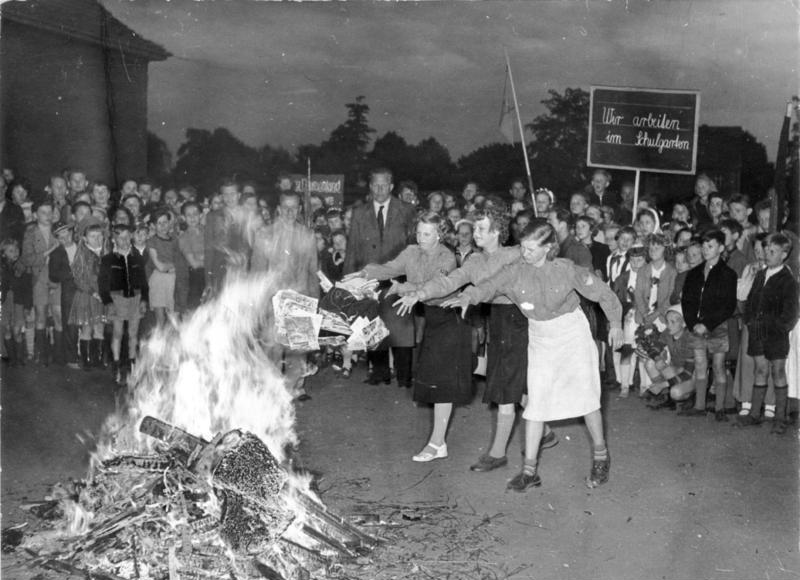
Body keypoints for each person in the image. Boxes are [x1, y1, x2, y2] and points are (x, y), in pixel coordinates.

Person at [449, 218, 623, 491]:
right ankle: (530, 472)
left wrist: (616, 324)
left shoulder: (566, 270)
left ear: (548, 248)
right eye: (523, 247)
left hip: (572, 335)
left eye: (531, 249)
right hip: (541, 338)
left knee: (587, 399)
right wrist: (468, 297)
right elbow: (489, 286)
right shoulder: (516, 271)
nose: (525, 254)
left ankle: (601, 456)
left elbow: (604, 294)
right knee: (535, 404)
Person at [395, 205, 559, 472]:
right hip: (498, 320)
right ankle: (547, 431)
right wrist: (420, 293)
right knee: (507, 379)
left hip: (520, 321)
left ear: (497, 232)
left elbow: (544, 264)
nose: (475, 232)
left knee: (505, 387)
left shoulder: (515, 254)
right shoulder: (474, 260)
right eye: (476, 227)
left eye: (482, 228)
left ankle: (497, 454)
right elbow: (450, 281)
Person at [347, 211, 472, 462]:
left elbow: (435, 287)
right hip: (432, 322)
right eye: (419, 232)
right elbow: (389, 268)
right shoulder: (411, 252)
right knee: (436, 381)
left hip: (450, 321)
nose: (421, 237)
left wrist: (402, 288)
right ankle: (439, 443)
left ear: (439, 234)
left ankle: (437, 444)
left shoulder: (446, 257)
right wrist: (365, 274)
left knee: (442, 384)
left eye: (427, 233)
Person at [344, 168, 416, 387]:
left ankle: (404, 376)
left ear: (392, 186)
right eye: (375, 185)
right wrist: (348, 281)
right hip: (369, 280)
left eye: (384, 185)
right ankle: (380, 372)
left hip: (399, 279)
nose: (379, 189)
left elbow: (414, 247)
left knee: (401, 328)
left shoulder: (407, 210)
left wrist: (414, 280)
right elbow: (352, 248)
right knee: (373, 325)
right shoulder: (359, 212)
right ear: (370, 186)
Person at [251, 190, 319, 400]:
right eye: (285, 207)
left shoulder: (307, 235)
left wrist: (314, 302)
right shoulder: (264, 235)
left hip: (300, 297)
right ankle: (272, 391)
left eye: (294, 207)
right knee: (272, 349)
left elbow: (313, 270)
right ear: (278, 209)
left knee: (297, 350)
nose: (290, 212)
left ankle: (295, 388)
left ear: (299, 209)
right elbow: (257, 272)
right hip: (273, 300)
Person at [738, 233, 799, 433]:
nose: (767, 254)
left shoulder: (787, 279)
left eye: (772, 251)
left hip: (775, 335)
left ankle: (780, 417)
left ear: (784, 254)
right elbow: (750, 301)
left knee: (778, 371)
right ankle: (755, 413)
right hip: (757, 332)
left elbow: (790, 313)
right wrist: (748, 320)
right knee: (760, 370)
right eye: (766, 250)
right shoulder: (761, 275)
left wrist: (779, 328)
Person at [679, 229, 738, 420]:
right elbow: (686, 301)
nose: (705, 250)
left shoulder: (728, 274)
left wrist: (708, 324)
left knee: (719, 365)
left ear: (720, 248)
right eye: (703, 246)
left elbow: (728, 306)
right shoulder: (694, 273)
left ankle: (719, 408)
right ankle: (699, 406)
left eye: (710, 246)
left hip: (716, 326)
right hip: (696, 326)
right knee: (700, 364)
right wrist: (692, 323)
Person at [99, 224, 149, 384]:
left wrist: (144, 299)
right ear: (114, 239)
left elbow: (144, 281)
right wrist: (108, 301)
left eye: (128, 237)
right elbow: (103, 283)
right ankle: (116, 363)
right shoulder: (108, 259)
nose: (125, 240)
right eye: (120, 237)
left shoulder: (137, 258)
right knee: (118, 332)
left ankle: (131, 363)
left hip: (135, 297)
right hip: (117, 299)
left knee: (133, 333)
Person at [21, 200, 59, 365]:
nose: (48, 216)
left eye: (50, 212)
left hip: (57, 278)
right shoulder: (30, 233)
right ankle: (40, 354)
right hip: (39, 279)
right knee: (41, 316)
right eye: (43, 213)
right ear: (35, 215)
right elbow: (27, 258)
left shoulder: (58, 231)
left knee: (58, 316)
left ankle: (59, 354)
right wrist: (48, 252)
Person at [638, 305, 696, 409]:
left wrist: (662, 384)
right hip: (675, 371)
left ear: (683, 324)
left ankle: (691, 396)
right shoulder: (667, 333)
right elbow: (653, 348)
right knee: (650, 363)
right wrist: (657, 358)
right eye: (667, 321)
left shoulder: (690, 338)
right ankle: (666, 396)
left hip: (691, 376)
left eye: (673, 322)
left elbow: (687, 373)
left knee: (676, 393)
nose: (669, 325)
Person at [69, 219, 106, 370]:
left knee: (100, 327)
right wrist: (93, 292)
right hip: (87, 295)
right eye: (92, 236)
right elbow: (77, 279)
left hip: (102, 295)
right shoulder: (82, 255)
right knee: (87, 328)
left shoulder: (105, 253)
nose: (97, 239)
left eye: (99, 236)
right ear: (85, 239)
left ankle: (97, 359)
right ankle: (86, 360)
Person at [204, 179, 249, 295]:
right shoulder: (213, 216)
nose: (229, 198)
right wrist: (208, 280)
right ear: (221, 196)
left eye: (232, 194)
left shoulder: (249, 215)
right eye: (225, 194)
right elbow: (208, 248)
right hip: (221, 270)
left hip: (244, 269)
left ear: (239, 195)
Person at [49, 223, 79, 368]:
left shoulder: (81, 247)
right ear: (57, 239)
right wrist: (69, 274)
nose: (65, 238)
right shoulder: (56, 253)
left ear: (72, 232)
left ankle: (85, 355)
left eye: (67, 234)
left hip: (86, 288)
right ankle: (71, 358)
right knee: (70, 323)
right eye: (60, 237)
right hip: (69, 289)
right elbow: (53, 275)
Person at [1, 238, 31, 366]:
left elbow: (27, 288)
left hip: (19, 302)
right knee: (7, 329)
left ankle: (19, 358)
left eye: (16, 250)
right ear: (3, 254)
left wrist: (27, 306)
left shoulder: (23, 267)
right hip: (5, 302)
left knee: (17, 330)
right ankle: (11, 358)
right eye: (11, 251)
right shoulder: (2, 268)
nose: (15, 253)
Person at [147, 208, 180, 326]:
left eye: (165, 222)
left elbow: (182, 259)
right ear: (153, 225)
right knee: (160, 320)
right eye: (159, 223)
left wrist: (174, 265)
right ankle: (159, 343)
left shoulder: (175, 240)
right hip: (159, 280)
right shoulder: (152, 241)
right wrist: (175, 264)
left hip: (174, 279)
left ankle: (174, 343)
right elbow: (160, 267)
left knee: (174, 318)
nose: (162, 226)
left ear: (170, 223)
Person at [178, 201, 206, 312]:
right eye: (188, 215)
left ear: (201, 215)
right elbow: (194, 263)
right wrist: (209, 258)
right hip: (196, 277)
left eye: (195, 213)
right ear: (183, 217)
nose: (192, 217)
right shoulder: (183, 238)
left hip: (213, 274)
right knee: (197, 310)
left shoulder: (208, 232)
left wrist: (203, 258)